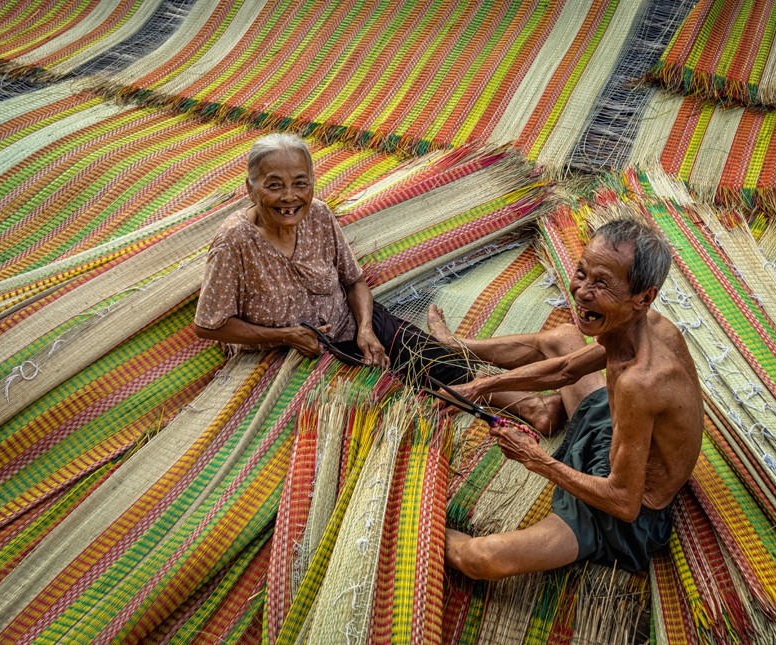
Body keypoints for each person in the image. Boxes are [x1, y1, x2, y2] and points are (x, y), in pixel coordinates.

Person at [431, 217, 703, 577]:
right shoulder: (645, 324)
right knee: (562, 337)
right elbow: (565, 370)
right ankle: (459, 346)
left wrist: (535, 459)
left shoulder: (643, 381)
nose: (581, 292)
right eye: (582, 273)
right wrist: (481, 387)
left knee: (483, 559)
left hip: (621, 510)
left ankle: (410, 525)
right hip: (616, 430)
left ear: (644, 297)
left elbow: (624, 502)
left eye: (602, 284)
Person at [194, 133, 468, 386]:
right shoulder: (234, 241)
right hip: (286, 354)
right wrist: (286, 335)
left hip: (350, 327)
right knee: (379, 401)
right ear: (251, 190)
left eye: (300, 183)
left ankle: (453, 352)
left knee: (450, 370)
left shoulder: (318, 215)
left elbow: (354, 280)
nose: (289, 196)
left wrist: (364, 329)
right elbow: (210, 325)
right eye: (274, 186)